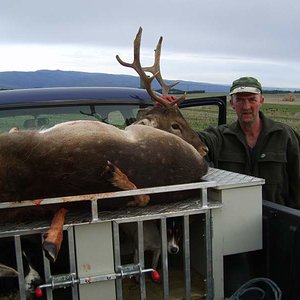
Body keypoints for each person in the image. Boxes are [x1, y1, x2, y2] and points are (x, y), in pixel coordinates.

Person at [198, 76, 300, 209]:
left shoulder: (284, 135)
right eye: (239, 100)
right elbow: (190, 141)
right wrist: (167, 113)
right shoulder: (219, 137)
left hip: (277, 219)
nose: (246, 106)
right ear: (232, 103)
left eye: (252, 99)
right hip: (234, 217)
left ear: (261, 101)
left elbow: (298, 182)